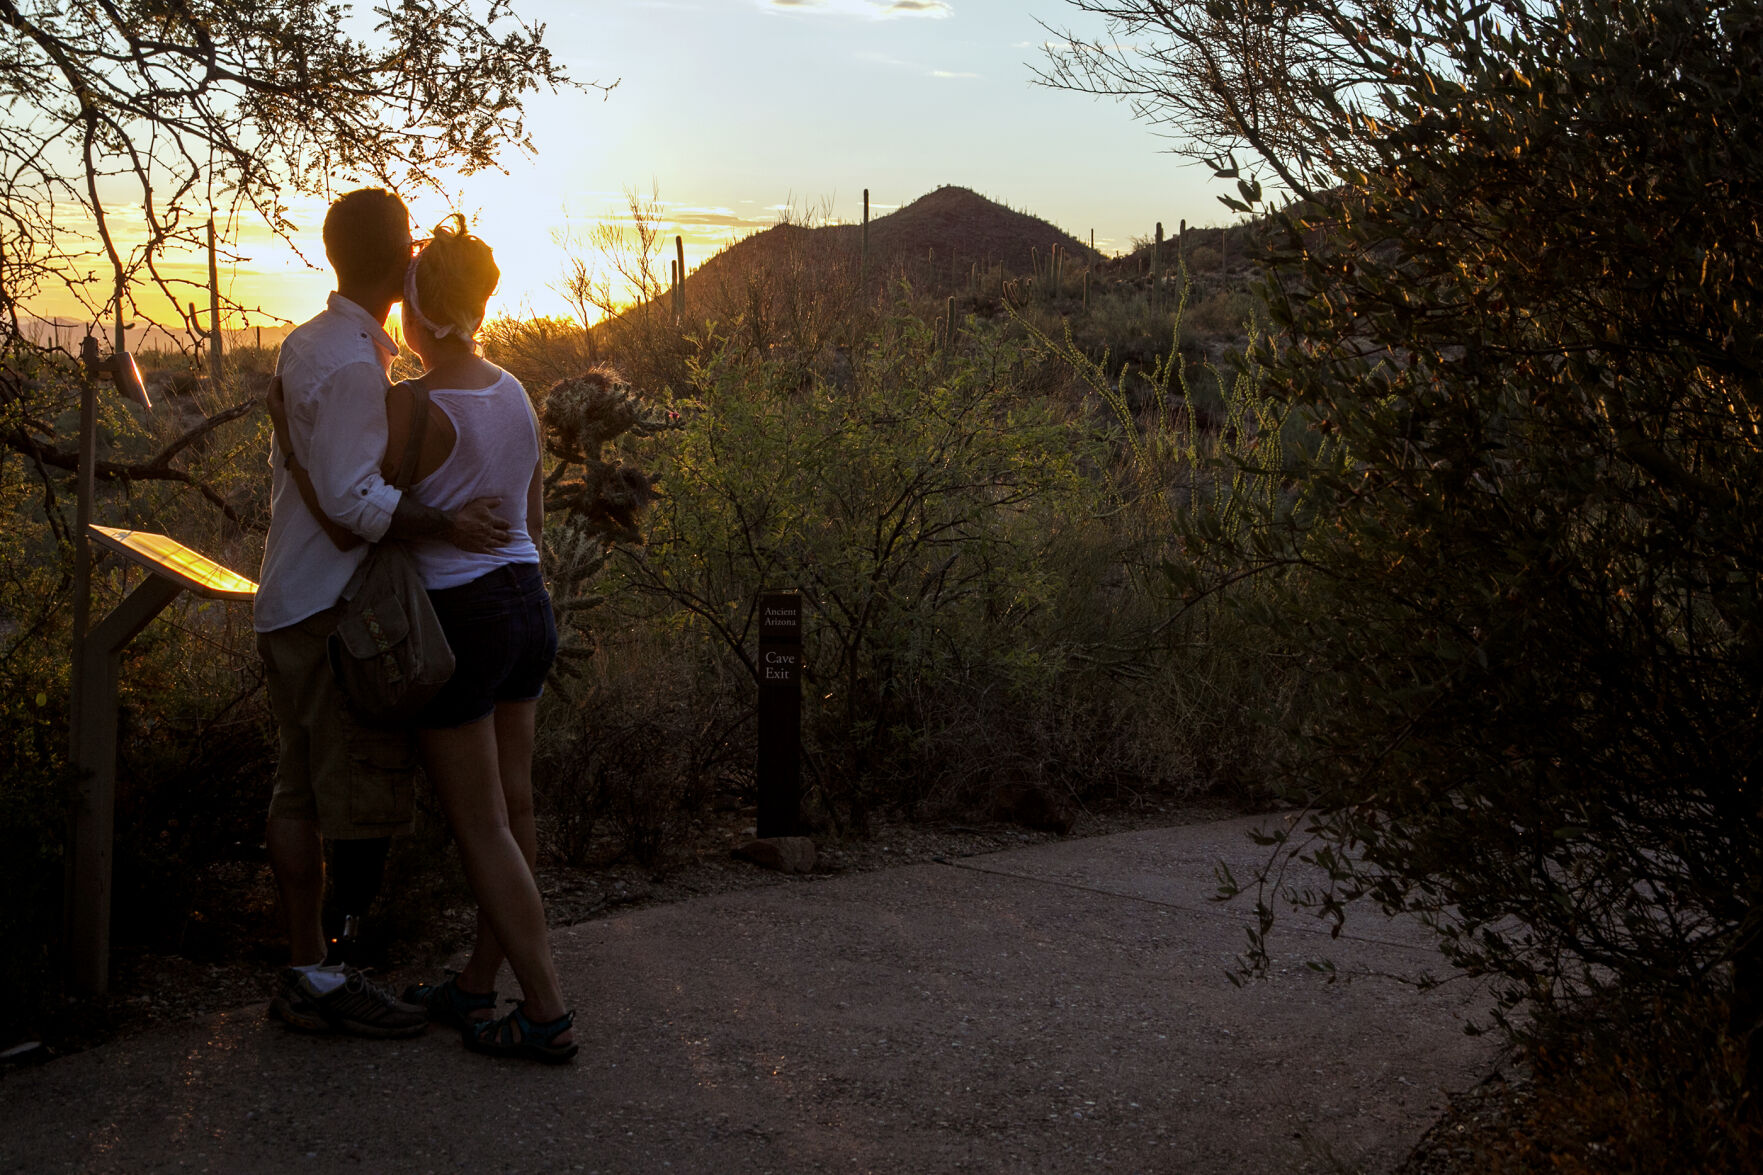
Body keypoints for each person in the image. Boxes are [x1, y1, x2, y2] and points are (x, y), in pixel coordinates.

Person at [256, 188, 511, 1038]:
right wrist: (448, 519)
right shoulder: (360, 365)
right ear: (398, 258)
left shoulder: (309, 344)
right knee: (349, 796)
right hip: (332, 612)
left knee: (296, 790)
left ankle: (304, 964)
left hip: (286, 598)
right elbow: (355, 503)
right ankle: (333, 974)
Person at [389, 216, 577, 1063]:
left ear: (416, 311)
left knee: (480, 821)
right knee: (516, 805)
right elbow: (532, 515)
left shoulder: (415, 403)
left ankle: (543, 1008)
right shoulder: (513, 391)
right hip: (527, 603)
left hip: (460, 619)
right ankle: (477, 981)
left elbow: (373, 514)